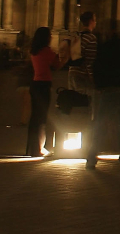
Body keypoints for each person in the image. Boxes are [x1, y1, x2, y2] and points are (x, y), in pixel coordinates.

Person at [87, 29, 120, 170]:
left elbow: (97, 67)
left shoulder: (104, 48)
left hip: (108, 89)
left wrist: (99, 85)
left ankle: (92, 158)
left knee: (100, 124)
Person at [27, 27, 69, 156]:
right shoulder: (47, 51)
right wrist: (66, 57)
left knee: (34, 117)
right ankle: (39, 148)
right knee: (42, 118)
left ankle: (32, 148)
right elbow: (58, 65)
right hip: (44, 85)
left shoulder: (33, 51)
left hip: (34, 84)